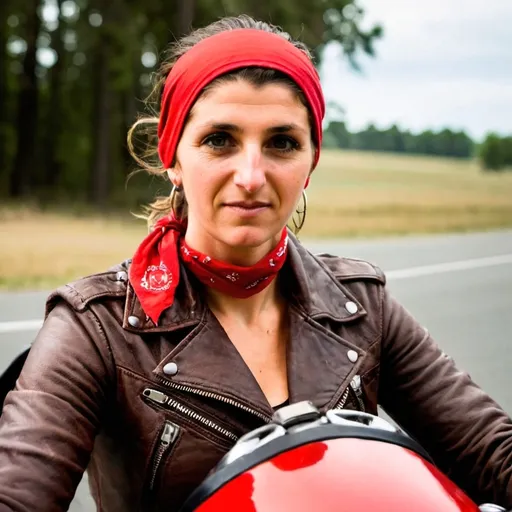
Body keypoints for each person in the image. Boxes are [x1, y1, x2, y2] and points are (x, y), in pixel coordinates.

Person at [0, 14, 510, 512]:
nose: (250, 175)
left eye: (281, 143)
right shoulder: (96, 328)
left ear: (310, 162)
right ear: (173, 157)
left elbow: (493, 455)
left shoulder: (363, 307)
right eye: (219, 139)